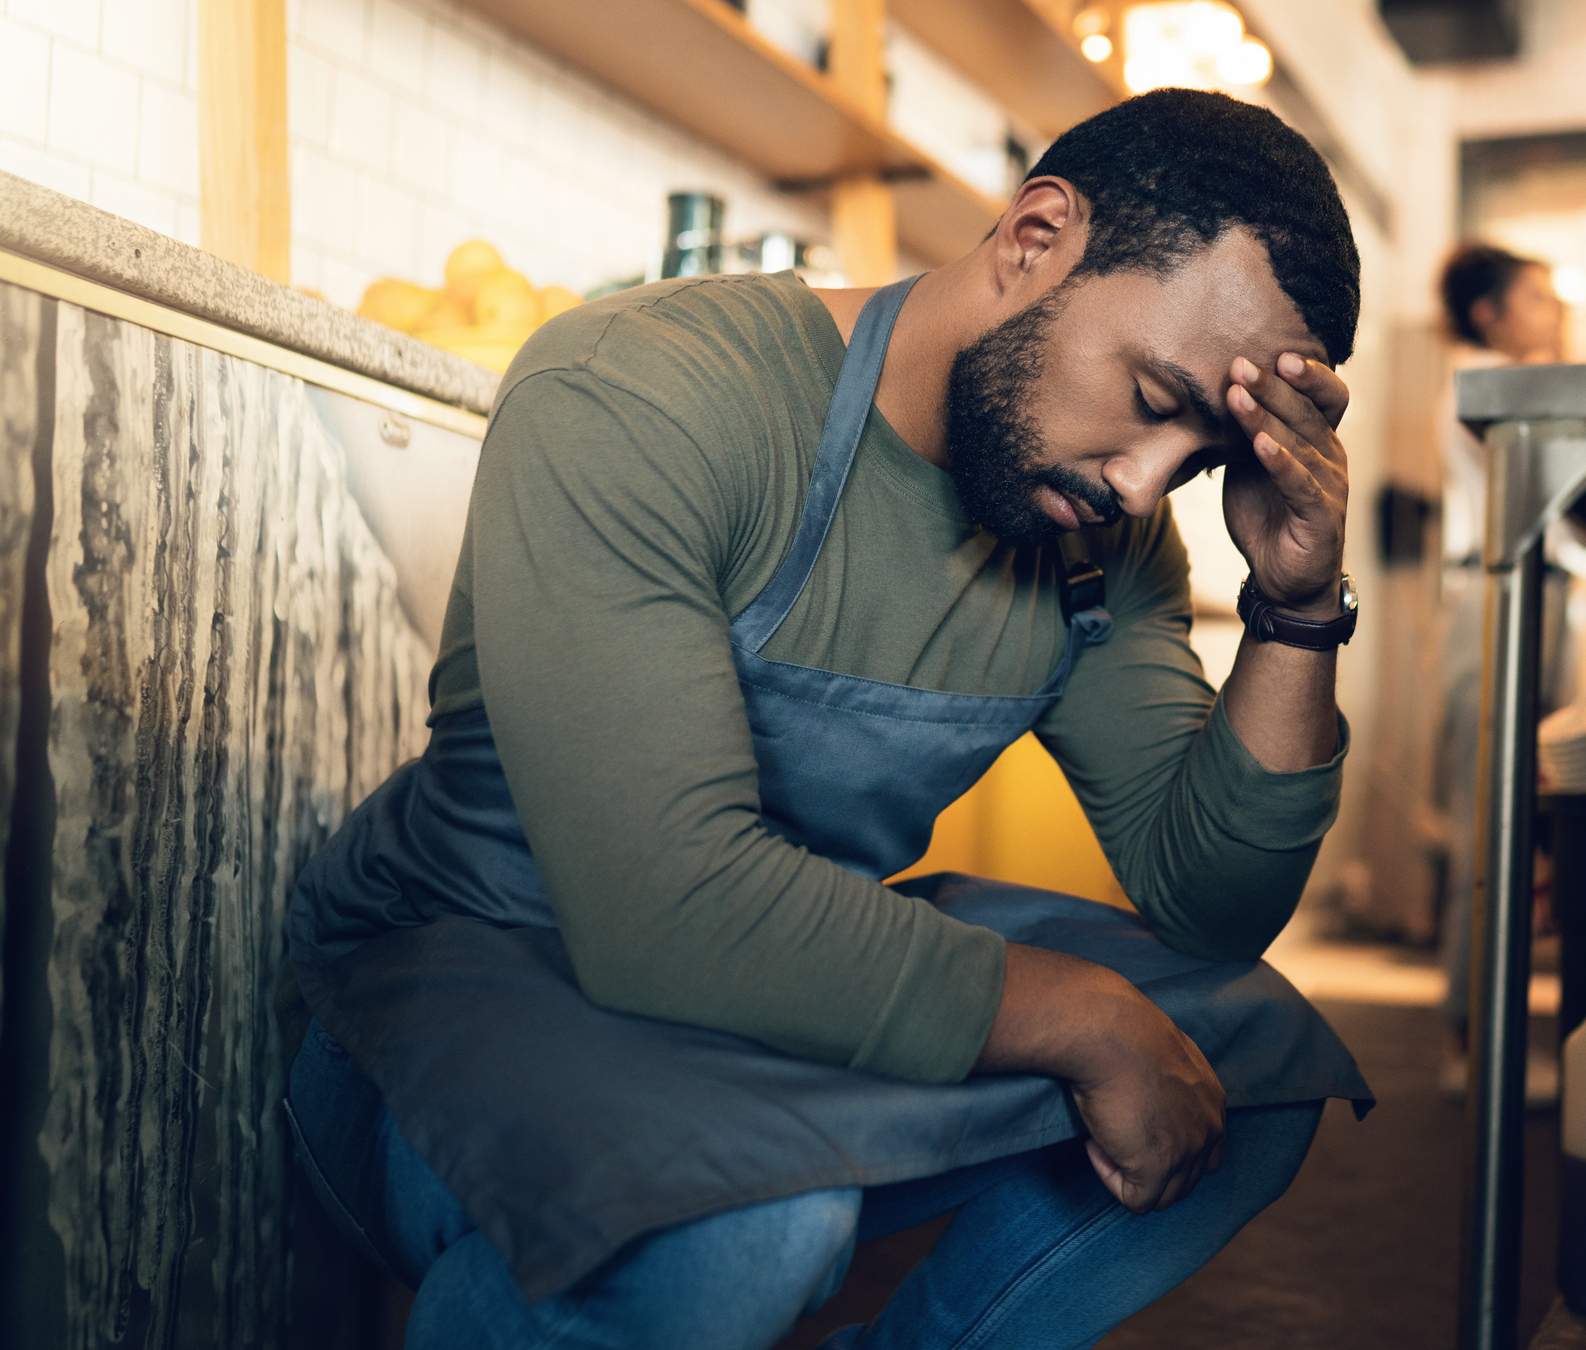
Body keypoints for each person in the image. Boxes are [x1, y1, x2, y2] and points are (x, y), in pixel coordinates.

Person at [284, 88, 1373, 1350]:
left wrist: (1295, 603)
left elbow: (1214, 908)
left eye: (1195, 455)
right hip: (466, 979)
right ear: (1034, 237)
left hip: (772, 992)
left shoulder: (1099, 535)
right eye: (1149, 394)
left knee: (1247, 1060)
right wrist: (1085, 1015)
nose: (1143, 482)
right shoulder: (642, 388)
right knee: (752, 1218)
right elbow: (663, 906)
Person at [1430, 243, 1564, 1105]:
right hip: (1492, 596)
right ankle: (1469, 1042)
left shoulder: (1501, 376)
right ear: (1489, 314)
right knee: (1490, 821)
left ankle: (1486, 1036)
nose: (1552, 315)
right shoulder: (1479, 376)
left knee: (1513, 820)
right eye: (1539, 299)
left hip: (1526, 591)